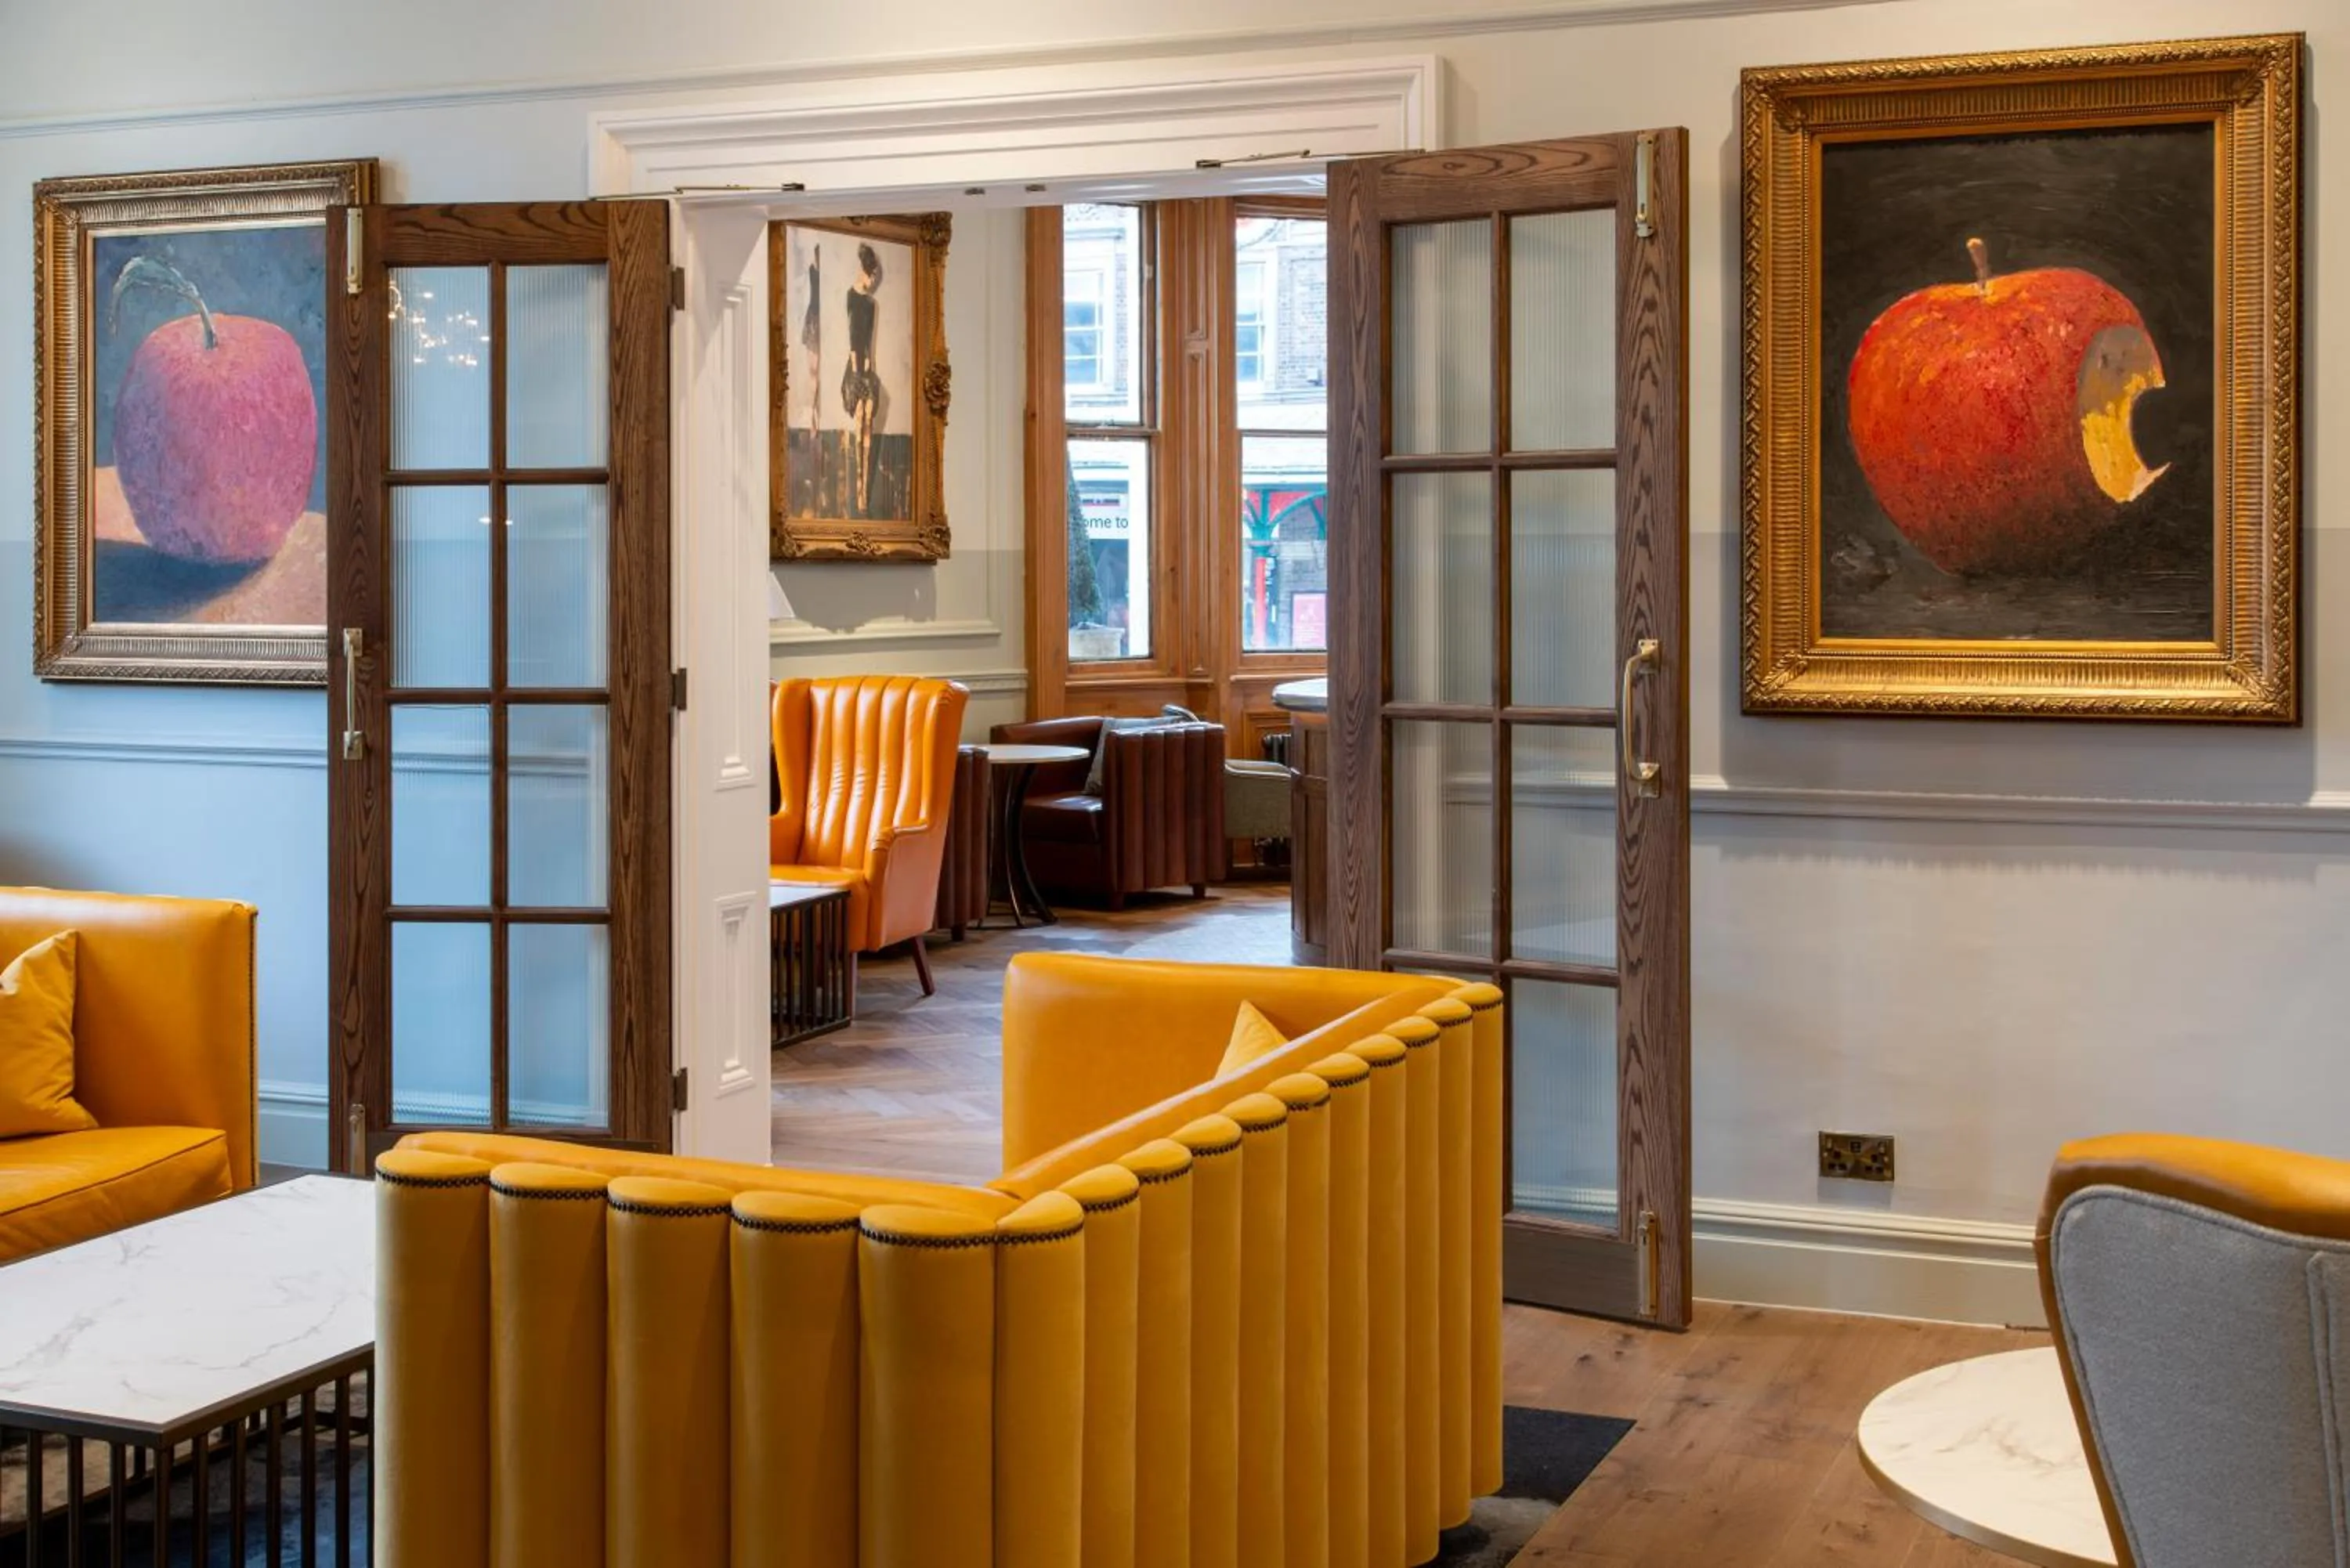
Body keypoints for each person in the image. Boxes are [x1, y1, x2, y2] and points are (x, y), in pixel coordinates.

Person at [840, 243, 884, 515]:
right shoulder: (852, 296)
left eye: (877, 277)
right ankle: (859, 489)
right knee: (859, 423)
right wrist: (856, 368)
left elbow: (870, 342)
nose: (874, 282)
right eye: (873, 276)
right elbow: (853, 336)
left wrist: (870, 369)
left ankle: (865, 489)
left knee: (869, 421)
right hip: (854, 367)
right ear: (865, 271)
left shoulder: (871, 303)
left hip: (867, 369)